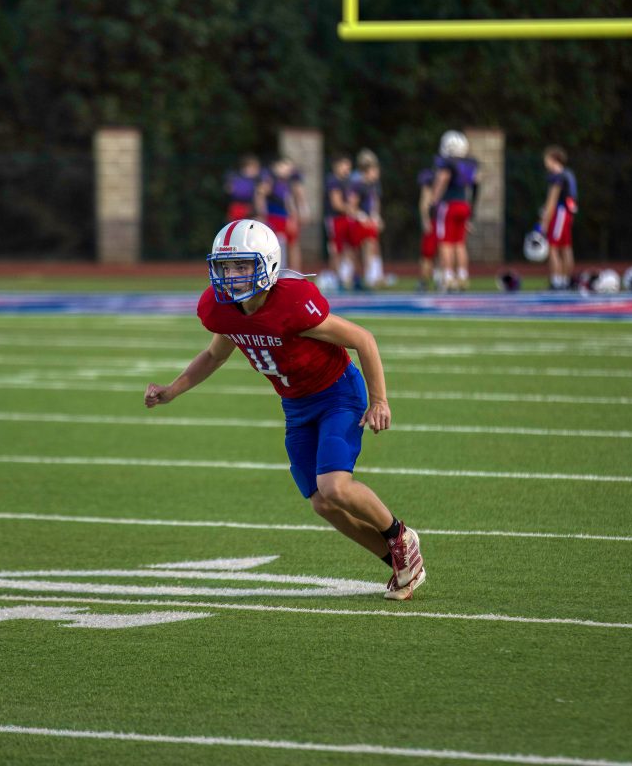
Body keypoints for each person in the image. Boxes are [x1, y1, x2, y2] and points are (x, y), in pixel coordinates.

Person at [144, 219, 426, 600]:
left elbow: (363, 339)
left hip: (338, 394)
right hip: (296, 405)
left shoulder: (292, 303)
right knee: (322, 503)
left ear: (268, 264)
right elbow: (213, 355)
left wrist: (379, 400)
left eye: (242, 265)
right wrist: (172, 390)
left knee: (334, 486)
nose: (232, 275)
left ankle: (400, 536)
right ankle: (400, 563)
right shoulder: (222, 309)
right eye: (226, 266)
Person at [429, 130, 480, 292]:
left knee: (446, 243)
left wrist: (434, 201)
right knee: (460, 243)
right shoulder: (469, 163)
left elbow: (443, 179)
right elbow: (475, 185)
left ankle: (449, 277)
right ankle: (463, 277)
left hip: (449, 205)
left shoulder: (447, 163)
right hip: (464, 205)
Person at [536, 146, 578, 290]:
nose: (545, 163)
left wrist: (544, 223)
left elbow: (552, 201)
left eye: (547, 159)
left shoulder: (557, 176)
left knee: (553, 247)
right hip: (567, 213)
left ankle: (557, 281)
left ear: (553, 159)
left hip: (559, 213)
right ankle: (566, 280)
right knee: (566, 247)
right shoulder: (568, 174)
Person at [256, 157, 303, 273]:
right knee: (277, 245)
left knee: (293, 244)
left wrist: (295, 217)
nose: (288, 169)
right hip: (274, 217)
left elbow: (292, 201)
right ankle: (277, 270)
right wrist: (262, 214)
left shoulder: (290, 183)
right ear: (277, 167)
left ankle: (295, 272)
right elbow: (260, 195)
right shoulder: (270, 180)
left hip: (287, 218)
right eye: (285, 166)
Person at [321, 153, 357, 292]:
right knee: (336, 249)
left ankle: (350, 277)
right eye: (344, 165)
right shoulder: (333, 181)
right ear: (336, 166)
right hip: (335, 219)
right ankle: (336, 278)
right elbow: (336, 204)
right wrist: (351, 210)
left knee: (349, 247)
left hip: (346, 218)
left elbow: (353, 200)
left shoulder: (348, 181)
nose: (347, 169)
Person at [351, 149, 386, 288]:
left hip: (369, 220)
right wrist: (361, 216)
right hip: (359, 220)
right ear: (367, 171)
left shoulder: (373, 185)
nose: (377, 173)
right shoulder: (358, 184)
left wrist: (376, 216)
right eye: (374, 171)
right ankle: (361, 276)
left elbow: (375, 203)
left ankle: (373, 275)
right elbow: (352, 205)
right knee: (360, 249)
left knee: (373, 245)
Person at [416, 167, 439, 292]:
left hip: (442, 220)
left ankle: (439, 279)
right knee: (428, 253)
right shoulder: (430, 179)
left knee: (443, 251)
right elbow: (424, 201)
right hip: (434, 220)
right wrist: (425, 220)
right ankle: (424, 281)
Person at [224, 154, 262, 222]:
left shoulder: (256, 180)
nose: (257, 171)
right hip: (237, 209)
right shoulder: (235, 179)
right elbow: (230, 190)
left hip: (250, 209)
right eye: (254, 168)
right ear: (245, 168)